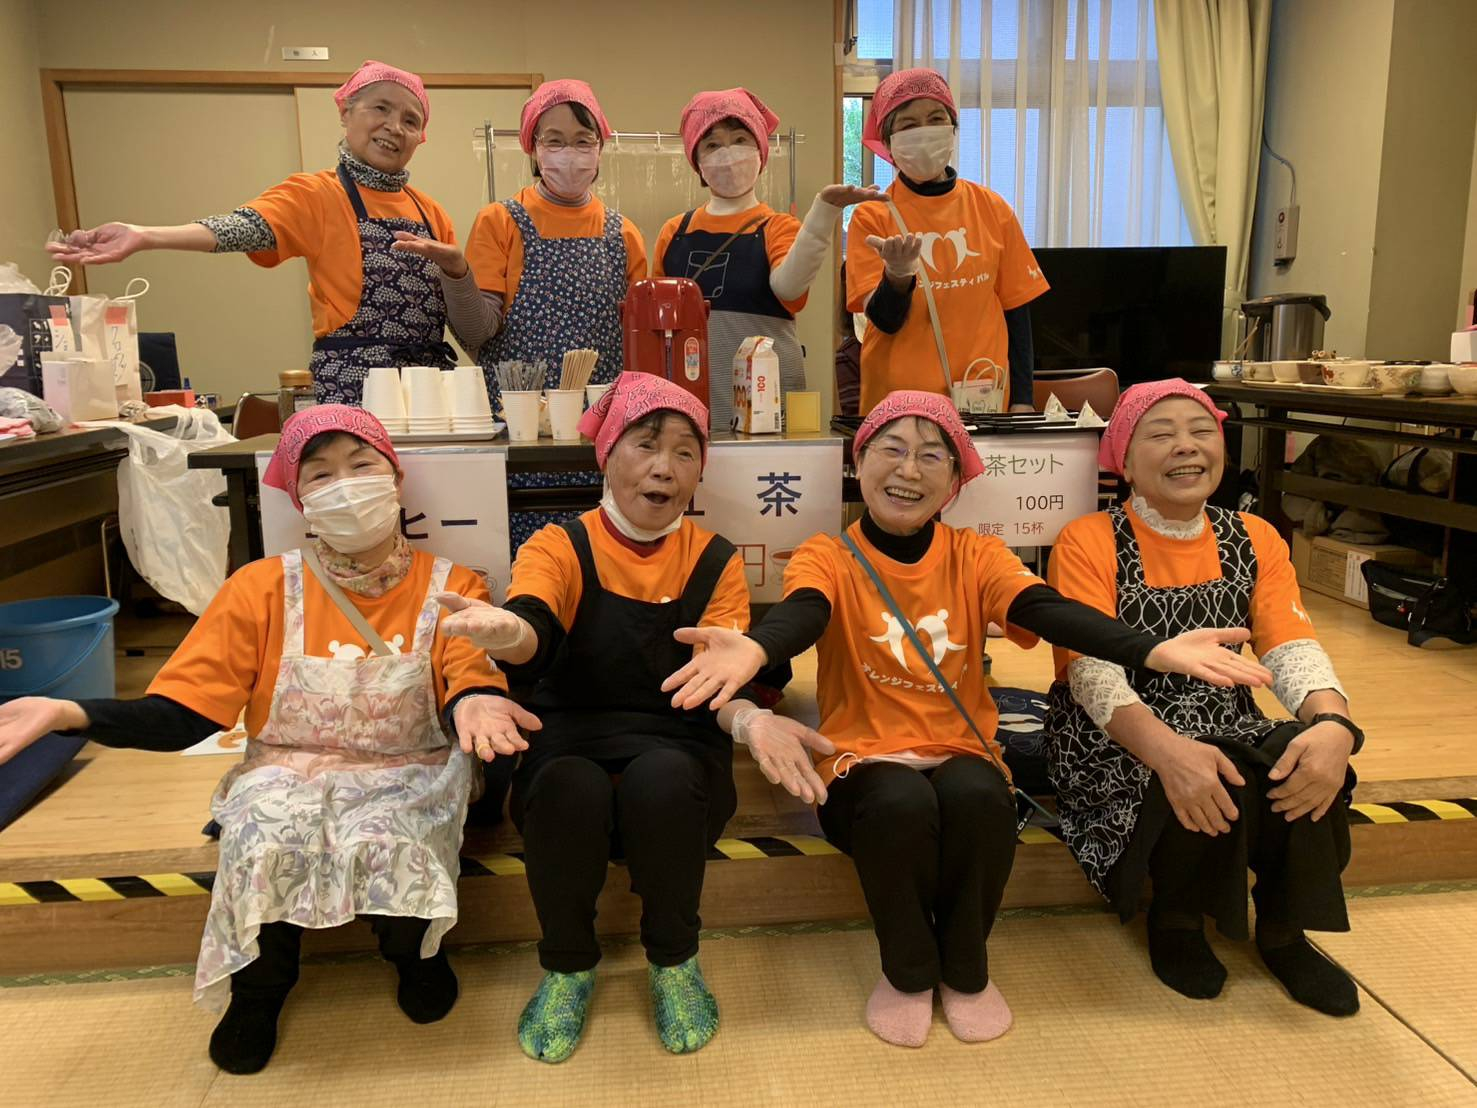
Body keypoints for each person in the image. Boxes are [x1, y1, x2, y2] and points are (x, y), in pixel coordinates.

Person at [657, 389, 1272, 1047]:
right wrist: (756, 648)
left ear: (954, 481)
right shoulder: (826, 555)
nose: (909, 469)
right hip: (859, 760)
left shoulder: (976, 554)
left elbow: (1043, 609)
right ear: (858, 462)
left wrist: (1148, 648)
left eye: (932, 456)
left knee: (979, 797)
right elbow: (804, 612)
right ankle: (907, 971)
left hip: (962, 747)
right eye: (892, 449)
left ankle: (966, 968)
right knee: (897, 803)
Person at [0, 406, 532, 1073]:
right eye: (321, 474)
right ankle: (259, 987)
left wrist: (478, 700)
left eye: (361, 466)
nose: (345, 486)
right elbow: (184, 714)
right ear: (300, 499)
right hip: (286, 766)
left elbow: (469, 676)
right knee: (261, 833)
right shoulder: (259, 588)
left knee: (396, 833)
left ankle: (411, 954)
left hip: (412, 763)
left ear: (395, 479)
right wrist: (70, 713)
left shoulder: (454, 587)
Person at [437, 372, 802, 1061]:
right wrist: (508, 634)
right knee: (566, 787)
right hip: (566, 735)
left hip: (678, 739)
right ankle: (567, 967)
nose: (664, 467)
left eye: (685, 452)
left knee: (662, 781)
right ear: (607, 454)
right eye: (645, 444)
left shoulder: (715, 560)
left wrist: (751, 721)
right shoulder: (557, 546)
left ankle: (674, 960)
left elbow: (717, 680)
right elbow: (533, 622)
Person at [1044, 379, 1363, 1017]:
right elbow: (1091, 675)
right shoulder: (1088, 539)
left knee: (1300, 757)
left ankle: (1284, 929)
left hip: (1225, 715)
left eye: (1201, 432)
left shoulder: (1256, 536)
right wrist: (1168, 752)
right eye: (1160, 435)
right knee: (1196, 768)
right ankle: (1177, 917)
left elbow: (1291, 646)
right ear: (1124, 461)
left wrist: (1334, 725)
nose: (1186, 447)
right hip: (1109, 731)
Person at [47, 61, 458, 406]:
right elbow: (244, 227)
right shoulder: (316, 194)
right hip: (355, 386)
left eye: (410, 120)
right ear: (346, 113)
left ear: (420, 138)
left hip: (429, 390)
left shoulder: (431, 212)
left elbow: (461, 306)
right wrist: (146, 236)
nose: (394, 127)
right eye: (380, 108)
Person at [396, 78, 646, 551]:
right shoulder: (501, 221)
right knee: (524, 554)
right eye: (554, 141)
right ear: (533, 148)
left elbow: (637, 348)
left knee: (599, 553)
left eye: (583, 141)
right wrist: (456, 271)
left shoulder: (624, 234)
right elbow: (477, 331)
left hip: (600, 434)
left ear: (600, 148)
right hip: (519, 433)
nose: (569, 154)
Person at [652, 87, 878, 428]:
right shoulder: (673, 232)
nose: (728, 154)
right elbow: (657, 326)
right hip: (688, 403)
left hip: (767, 404)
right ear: (696, 162)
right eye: (712, 145)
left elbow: (788, 289)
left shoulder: (779, 226)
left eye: (740, 140)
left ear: (760, 151)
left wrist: (822, 216)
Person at [846, 68, 1048, 415]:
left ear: (953, 129)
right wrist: (897, 277)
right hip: (899, 407)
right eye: (908, 125)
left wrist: (1023, 399)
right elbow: (884, 321)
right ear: (888, 143)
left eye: (936, 119)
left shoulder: (993, 208)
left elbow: (1016, 312)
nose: (924, 132)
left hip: (983, 400)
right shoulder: (872, 217)